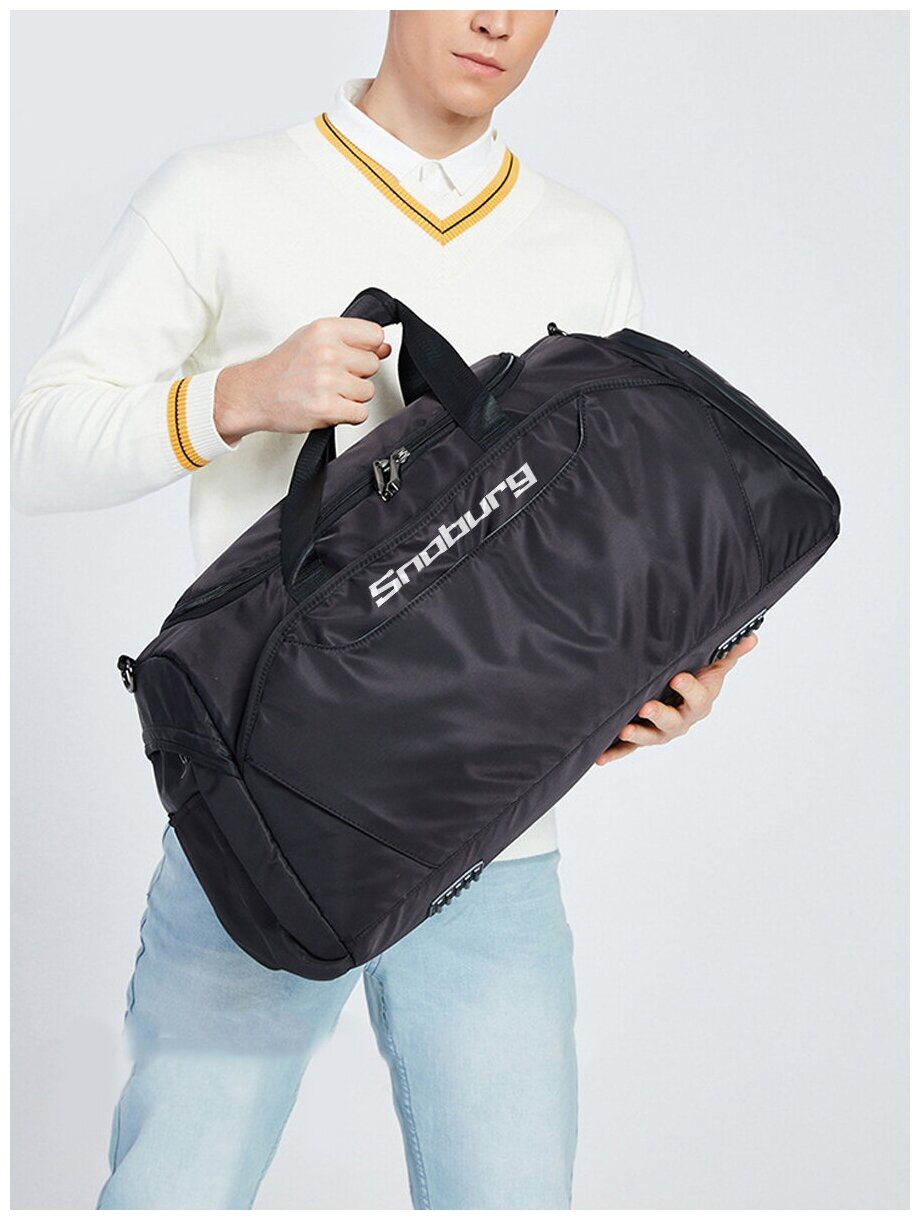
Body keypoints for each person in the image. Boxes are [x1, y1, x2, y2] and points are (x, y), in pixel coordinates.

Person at [11, 10, 757, 1209]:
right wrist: (238, 395)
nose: (496, 18)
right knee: (173, 1192)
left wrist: (671, 678)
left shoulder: (586, 242)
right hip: (263, 818)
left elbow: (614, 535)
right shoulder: (217, 195)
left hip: (494, 847)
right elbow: (32, 449)